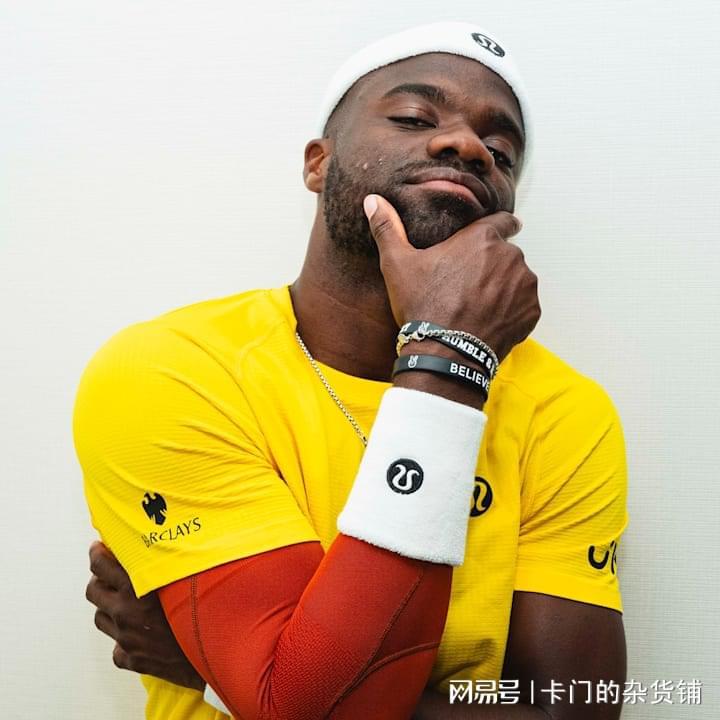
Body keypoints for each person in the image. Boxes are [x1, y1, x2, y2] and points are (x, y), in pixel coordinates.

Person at [76, 22, 628, 720]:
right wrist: (452, 357)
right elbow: (308, 705)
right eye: (414, 117)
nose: (466, 146)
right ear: (318, 163)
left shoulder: (563, 410)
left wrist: (227, 675)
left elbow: (570, 711)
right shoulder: (173, 369)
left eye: (500, 152)